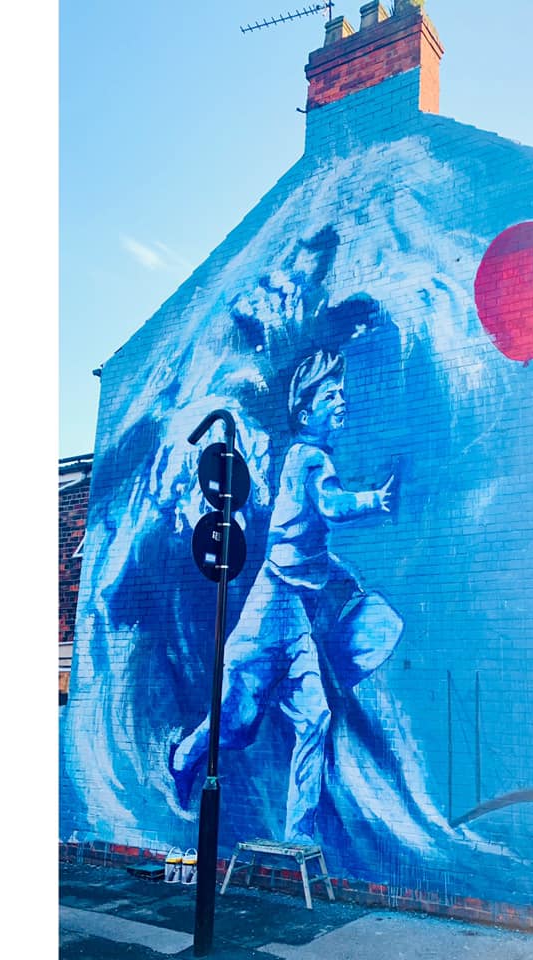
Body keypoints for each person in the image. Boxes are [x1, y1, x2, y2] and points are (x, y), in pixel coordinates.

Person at [169, 350, 400, 843]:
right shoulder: (308, 457)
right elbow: (332, 508)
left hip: (292, 617)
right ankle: (184, 757)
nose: (342, 402)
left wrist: (340, 579)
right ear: (305, 412)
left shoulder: (305, 462)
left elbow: (305, 544)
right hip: (268, 614)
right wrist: (374, 500)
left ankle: (297, 837)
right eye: (330, 395)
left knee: (315, 717)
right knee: (233, 724)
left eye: (342, 393)